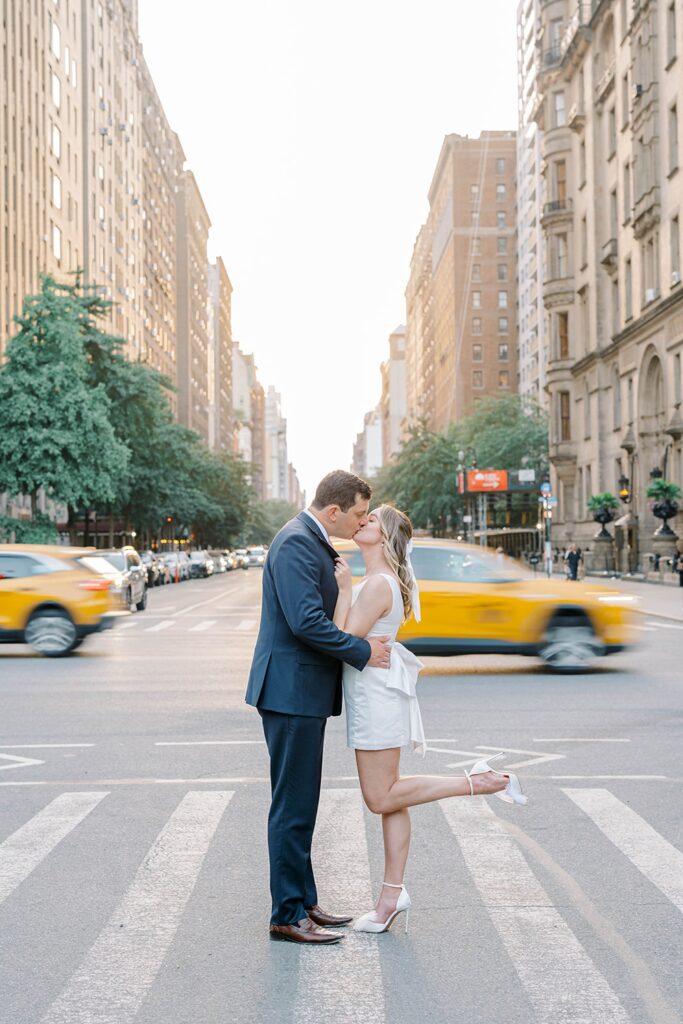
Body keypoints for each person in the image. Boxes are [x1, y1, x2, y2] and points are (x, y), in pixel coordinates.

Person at [333, 504, 527, 935]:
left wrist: (344, 589)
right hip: (377, 693)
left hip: (375, 697)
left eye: (369, 521)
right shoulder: (382, 581)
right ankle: (391, 895)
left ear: (382, 538)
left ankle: (480, 782)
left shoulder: (376, 585)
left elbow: (341, 640)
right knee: (392, 798)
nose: (359, 522)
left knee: (381, 797)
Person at [245, 470, 393, 946]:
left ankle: (304, 900)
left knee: (302, 802)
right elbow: (306, 621)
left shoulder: (313, 540)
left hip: (301, 691)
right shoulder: (294, 543)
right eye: (356, 513)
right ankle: (286, 914)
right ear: (333, 511)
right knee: (292, 805)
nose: (360, 521)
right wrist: (362, 651)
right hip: (289, 692)